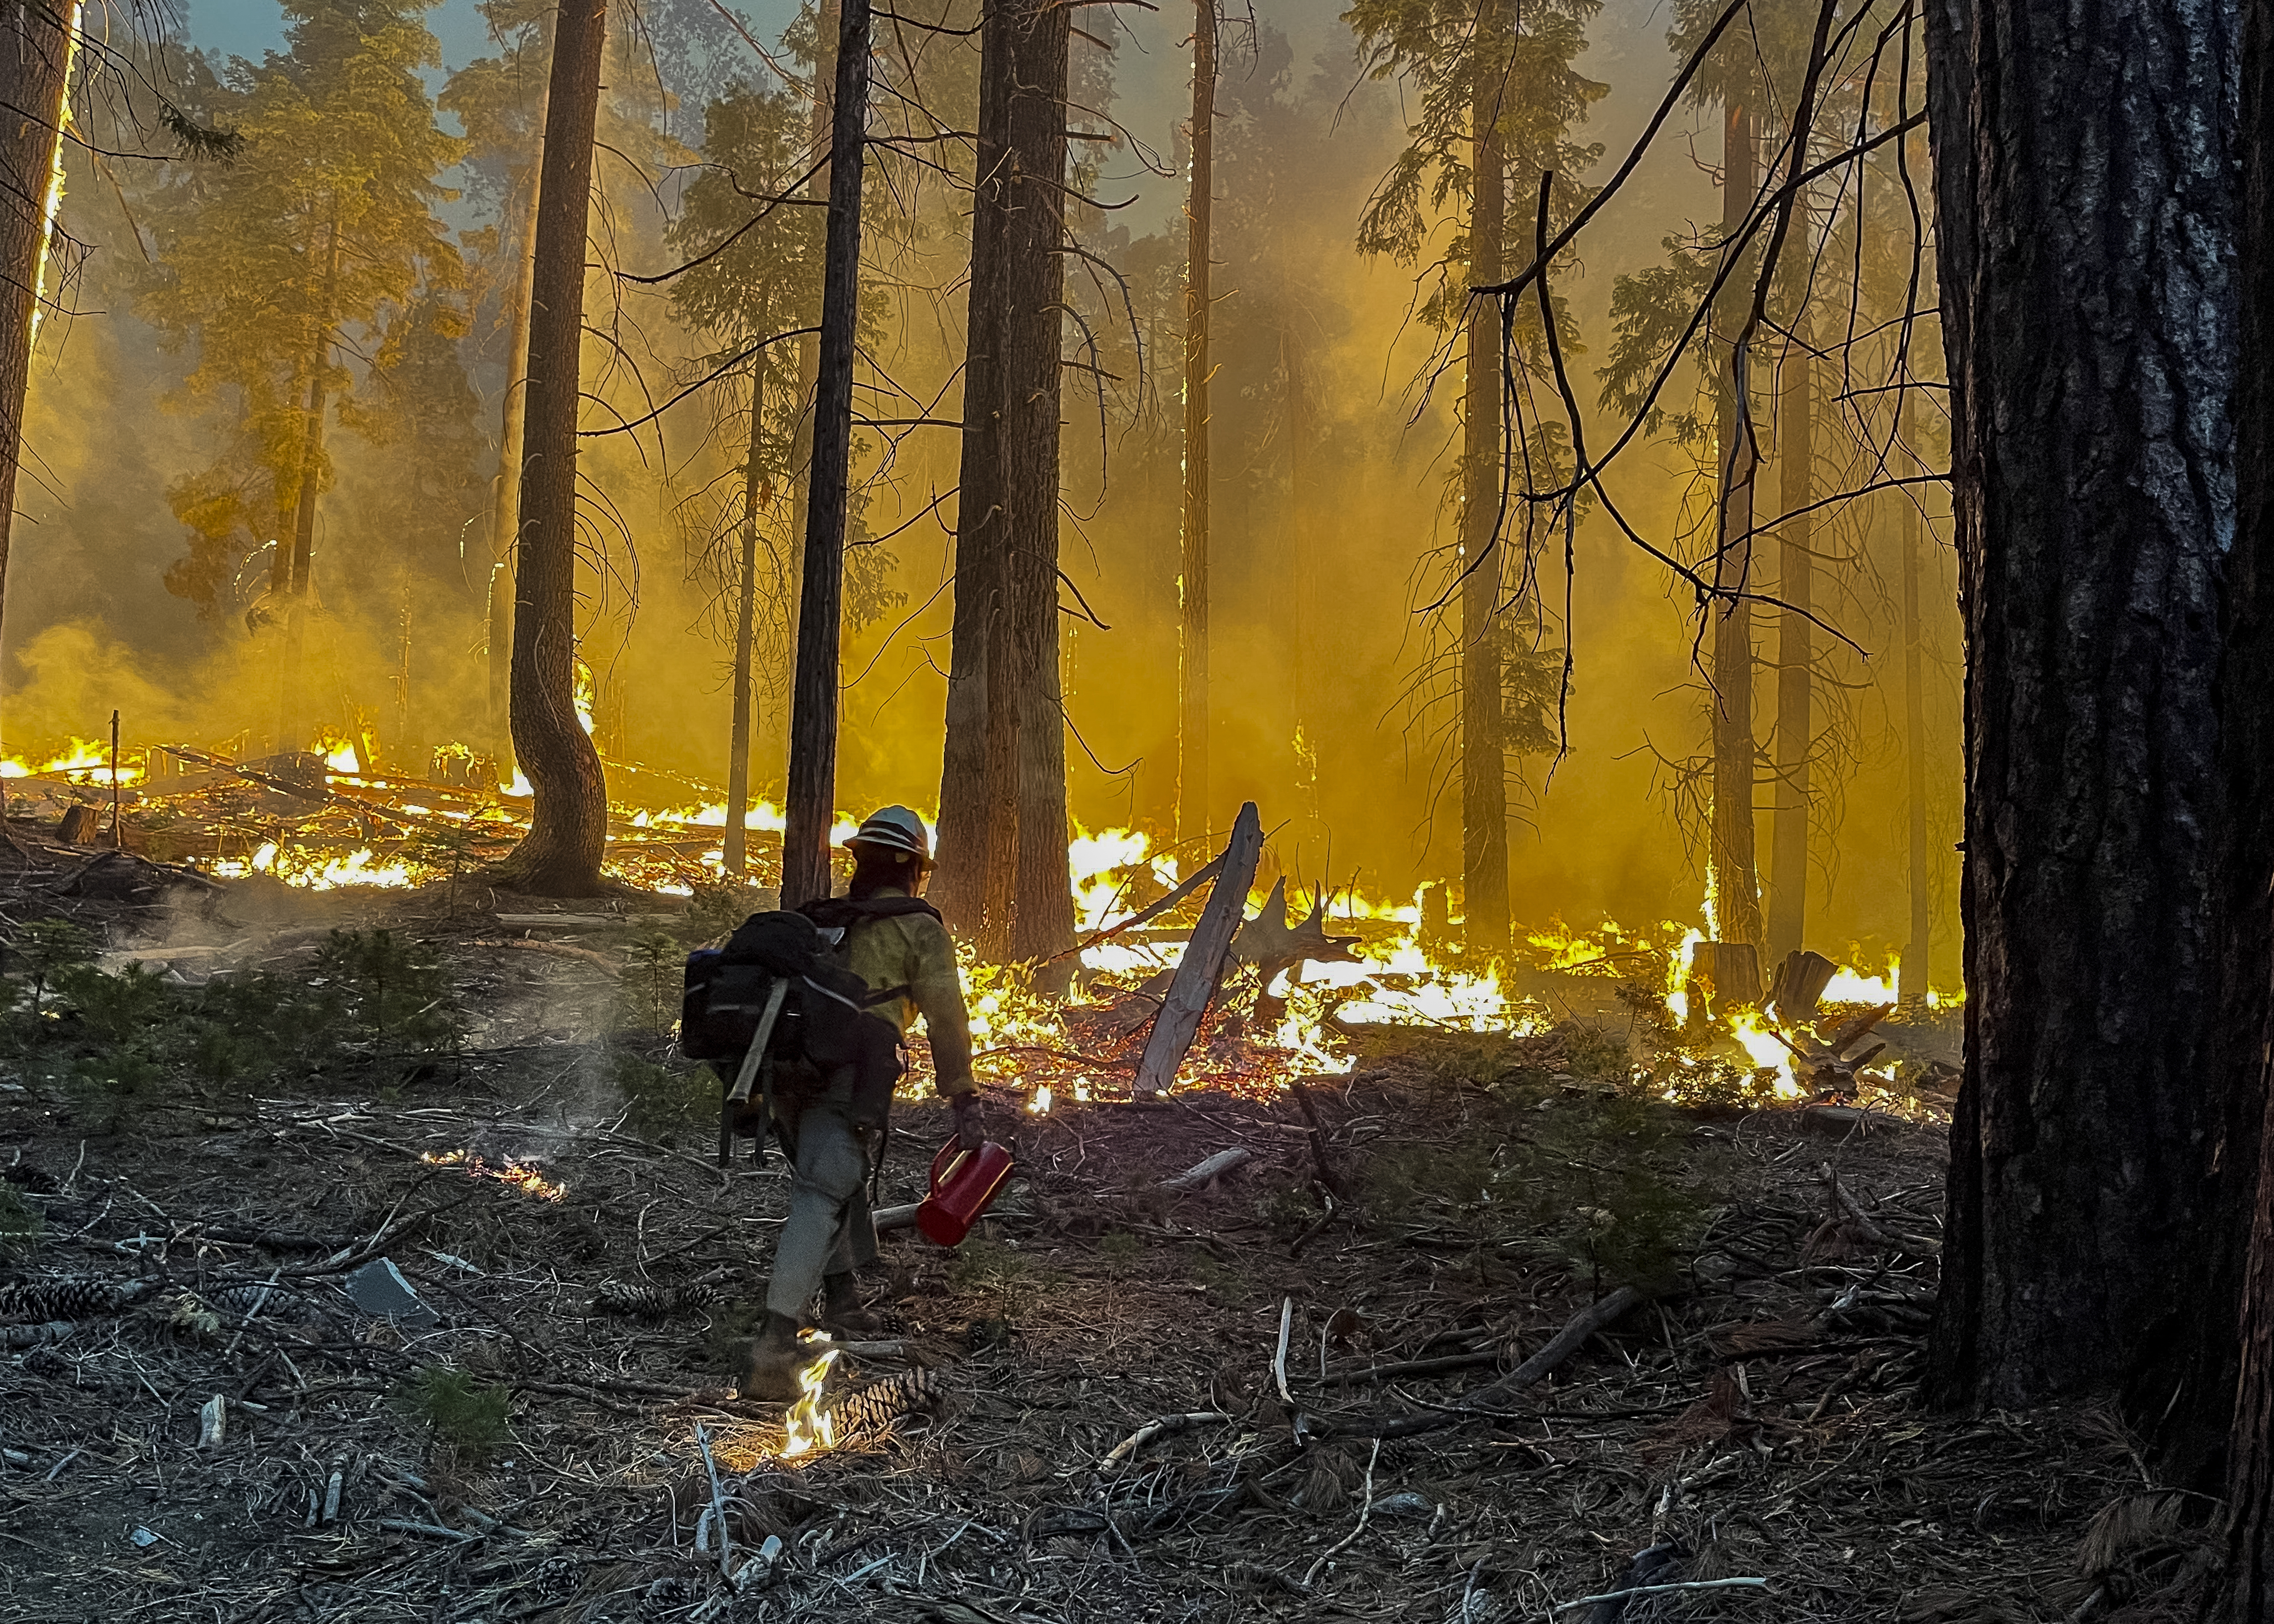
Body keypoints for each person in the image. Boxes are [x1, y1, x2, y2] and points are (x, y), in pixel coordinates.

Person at [742, 805, 984, 1400]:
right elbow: (947, 1018)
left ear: (861, 860)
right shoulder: (918, 927)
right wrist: (964, 1095)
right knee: (826, 1184)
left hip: (785, 1073)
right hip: (849, 1074)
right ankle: (775, 1343)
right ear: (913, 869)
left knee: (832, 1175)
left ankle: (844, 1300)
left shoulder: (824, 919)